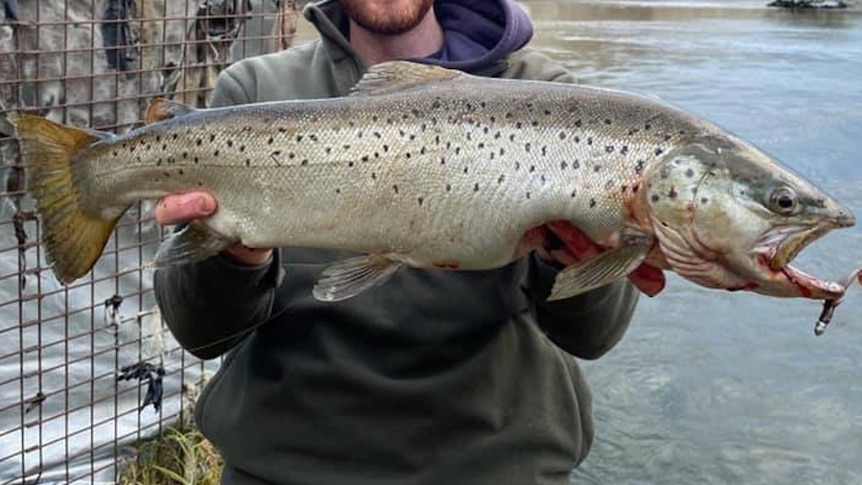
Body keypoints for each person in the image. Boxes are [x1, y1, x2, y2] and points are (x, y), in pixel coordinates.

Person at [153, 1, 641, 484]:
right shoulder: (255, 91)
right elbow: (200, 334)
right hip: (284, 463)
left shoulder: (553, 100)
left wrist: (575, 262)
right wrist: (236, 256)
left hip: (499, 464)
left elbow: (592, 336)